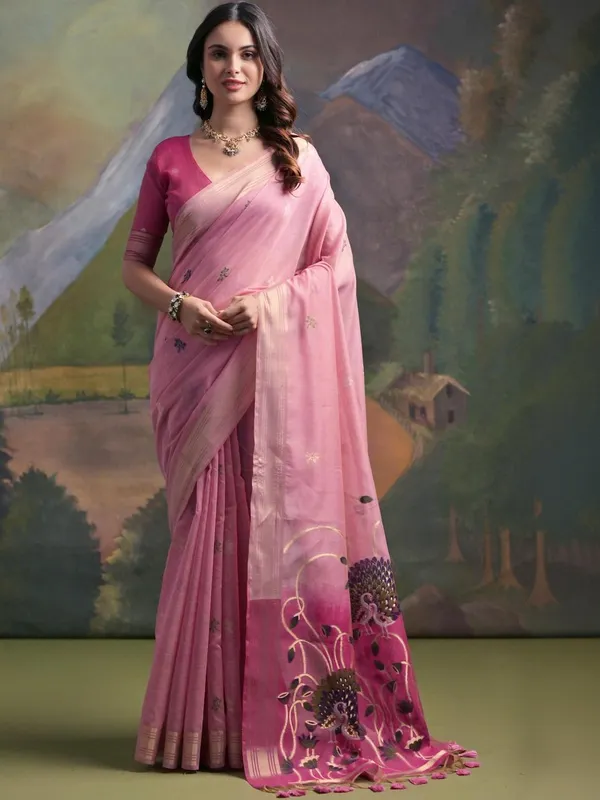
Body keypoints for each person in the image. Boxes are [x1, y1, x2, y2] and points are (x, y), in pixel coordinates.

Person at [122, 1, 476, 792]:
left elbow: (333, 269)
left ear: (265, 66)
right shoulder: (169, 159)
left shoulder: (299, 163)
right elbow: (136, 266)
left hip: (276, 373)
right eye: (219, 53)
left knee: (272, 538)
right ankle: (198, 729)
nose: (233, 67)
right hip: (194, 372)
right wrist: (181, 307)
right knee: (207, 542)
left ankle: (277, 722)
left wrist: (269, 307)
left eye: (247, 54)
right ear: (200, 65)